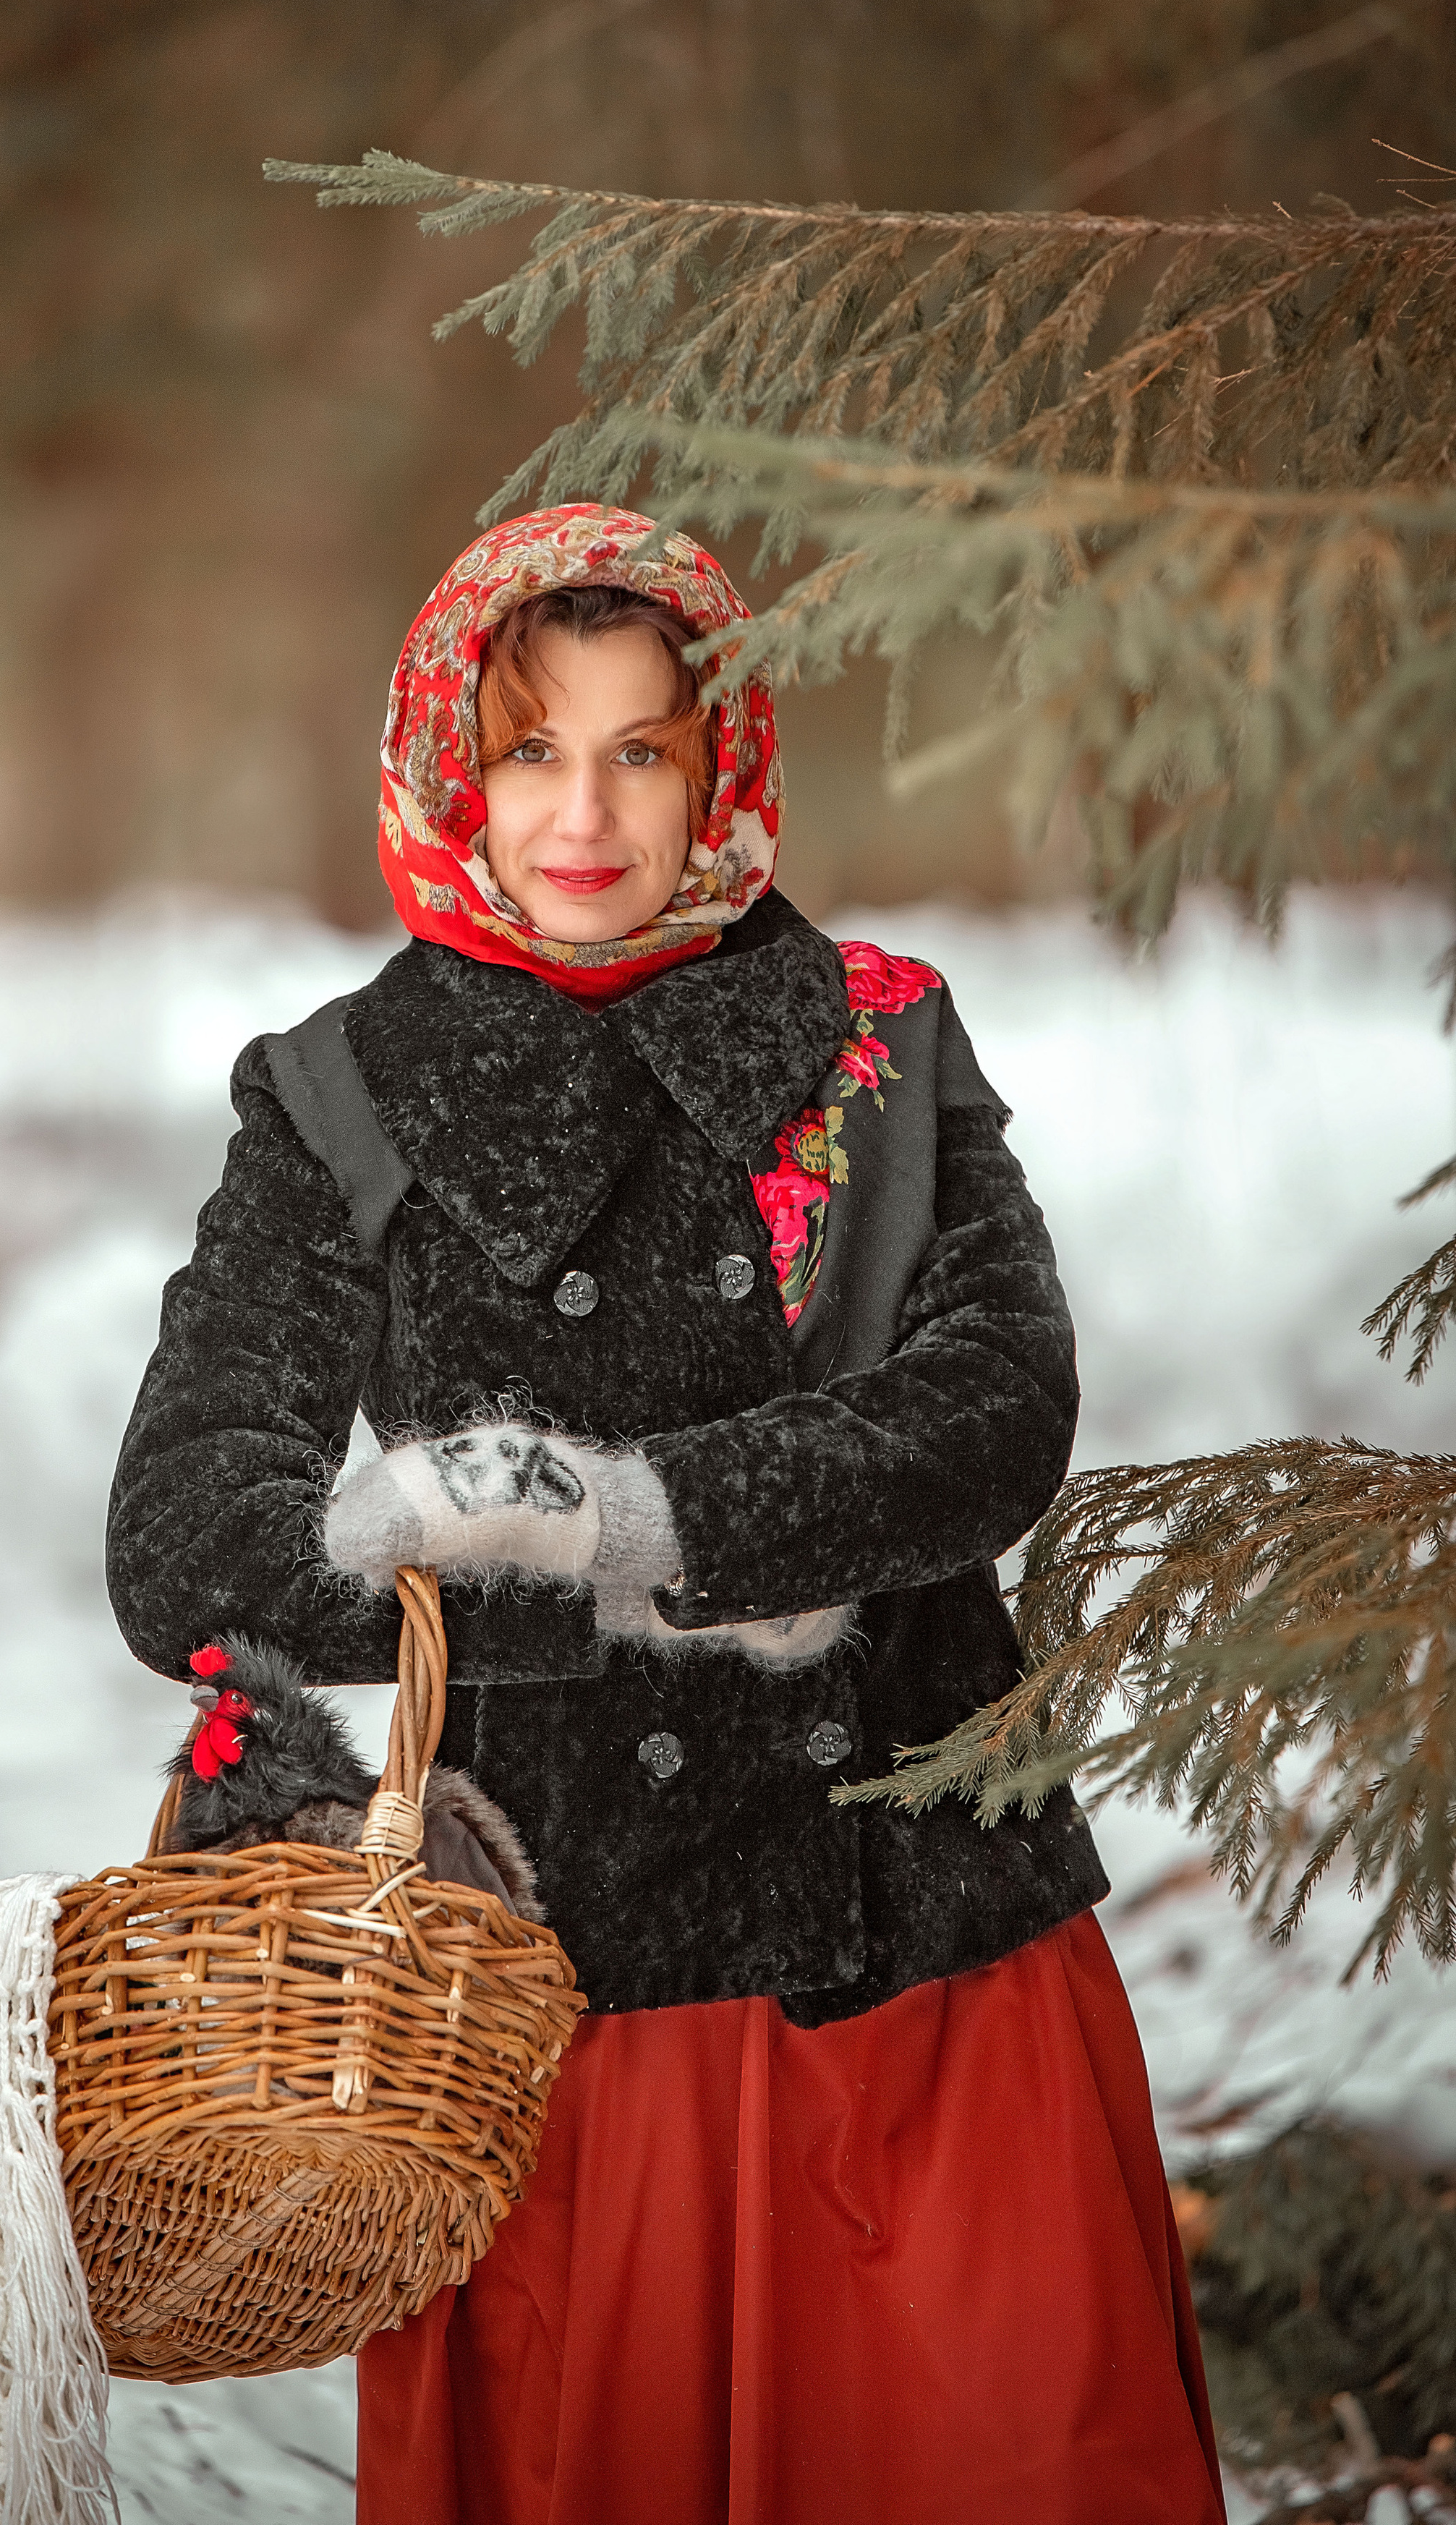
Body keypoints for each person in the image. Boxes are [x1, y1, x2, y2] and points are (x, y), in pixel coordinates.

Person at [106, 502, 1225, 2525]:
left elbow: (998, 1408)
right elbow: (186, 1530)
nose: (586, 815)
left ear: (723, 768)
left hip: (913, 1956)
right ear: (455, 765)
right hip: (555, 2004)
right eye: (532, 749)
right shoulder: (338, 1098)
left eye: (641, 748)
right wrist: (480, 1562)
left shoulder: (880, 1041)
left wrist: (652, 1517)